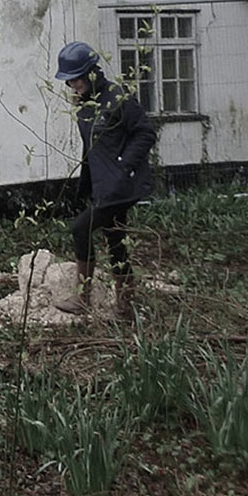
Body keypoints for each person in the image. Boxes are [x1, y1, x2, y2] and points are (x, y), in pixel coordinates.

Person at [52, 40, 156, 320]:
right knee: (116, 240)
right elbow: (91, 148)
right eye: (69, 81)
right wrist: (86, 185)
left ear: (90, 72)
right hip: (102, 185)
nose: (73, 85)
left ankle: (83, 298)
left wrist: (124, 165)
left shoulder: (117, 98)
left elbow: (145, 133)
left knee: (80, 229)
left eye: (76, 79)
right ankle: (126, 307)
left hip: (119, 186)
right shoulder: (86, 105)